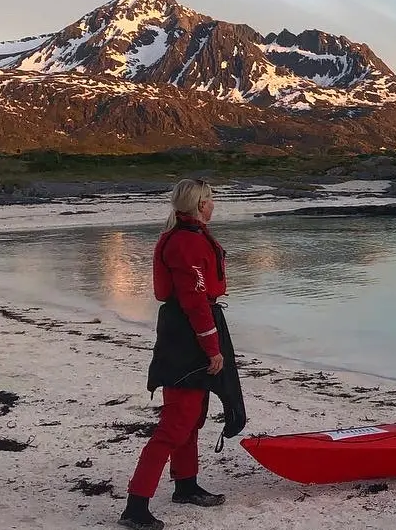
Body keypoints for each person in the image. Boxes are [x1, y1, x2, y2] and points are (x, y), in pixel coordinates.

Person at [119, 178, 241, 530]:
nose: (213, 205)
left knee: (192, 418)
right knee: (175, 424)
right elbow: (194, 302)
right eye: (211, 200)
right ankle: (136, 506)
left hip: (185, 329)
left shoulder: (184, 237)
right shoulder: (185, 244)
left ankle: (186, 485)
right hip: (187, 336)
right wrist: (212, 347)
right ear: (200, 204)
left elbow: (197, 299)